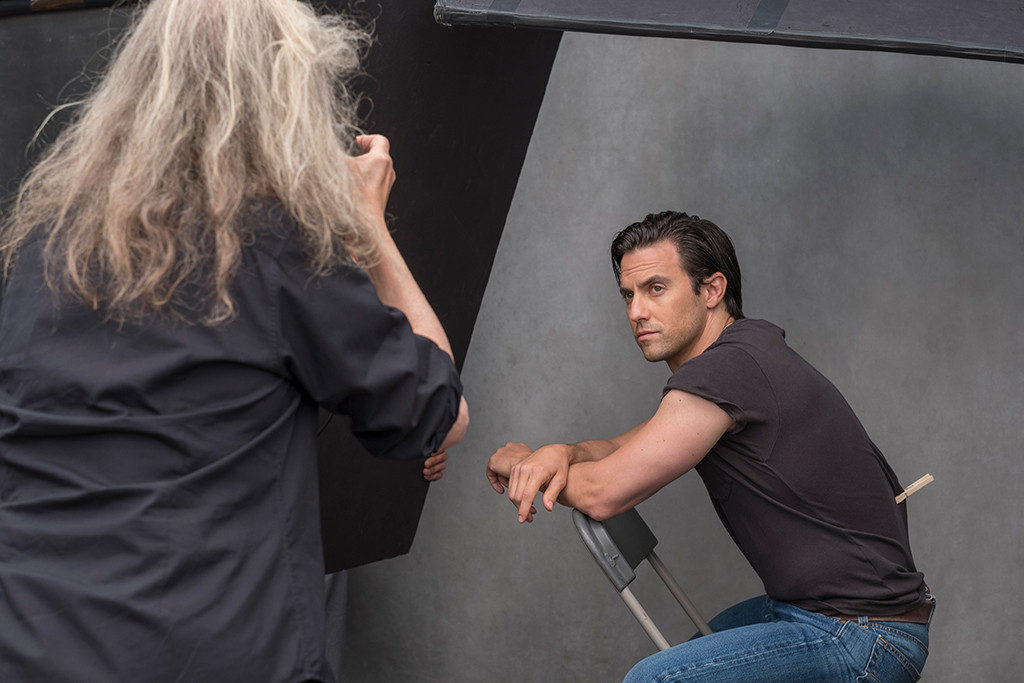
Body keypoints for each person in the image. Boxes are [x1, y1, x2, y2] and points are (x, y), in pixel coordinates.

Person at [0, 1, 468, 681]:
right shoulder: (276, 246)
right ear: (288, 95)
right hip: (207, 651)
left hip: (34, 643)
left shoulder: (43, 249)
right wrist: (368, 228)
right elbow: (441, 414)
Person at [487, 211, 932, 682]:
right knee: (695, 652)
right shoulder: (741, 355)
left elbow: (604, 491)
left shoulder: (727, 371)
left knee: (654, 681)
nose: (636, 311)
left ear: (712, 290)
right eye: (628, 294)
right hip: (819, 612)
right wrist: (560, 451)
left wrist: (521, 462)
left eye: (656, 288)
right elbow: (618, 448)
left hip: (863, 633)